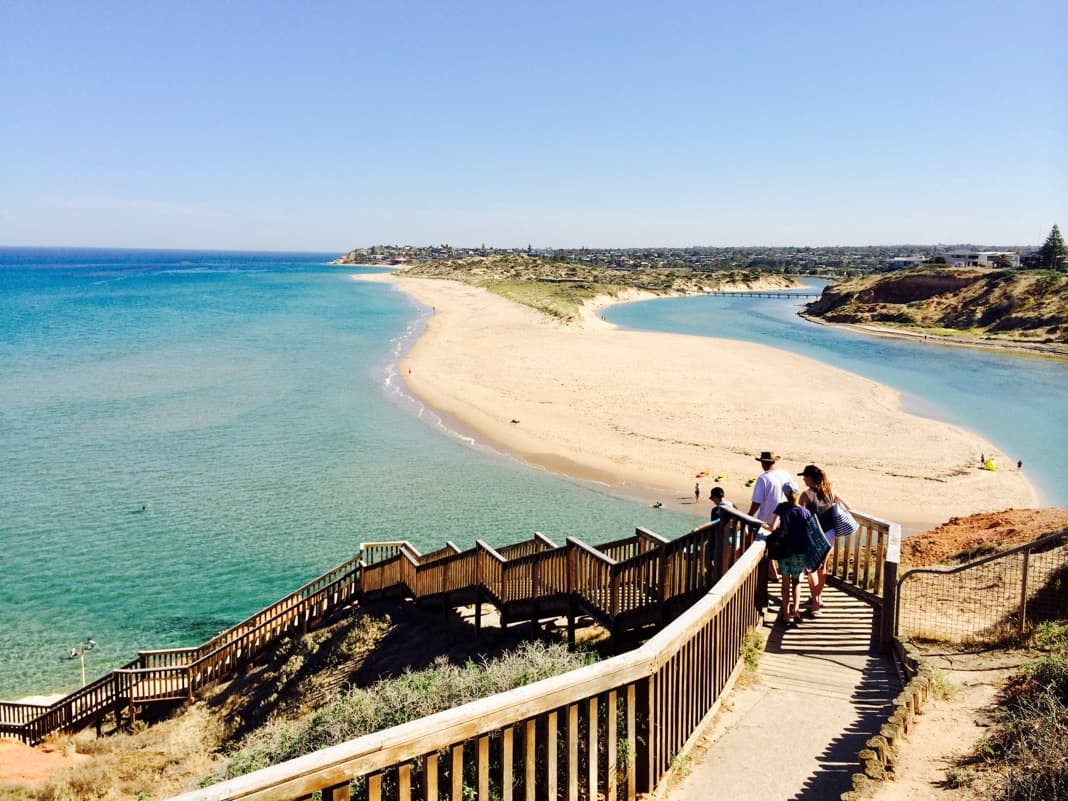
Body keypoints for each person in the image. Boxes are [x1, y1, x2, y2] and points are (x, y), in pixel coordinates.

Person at [797, 464, 849, 615]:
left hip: (814, 535)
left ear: (810, 478)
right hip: (830, 533)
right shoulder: (830, 492)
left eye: (804, 476)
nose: (803, 479)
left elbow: (801, 516)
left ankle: (815, 606)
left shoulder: (806, 495)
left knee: (811, 568)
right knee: (823, 567)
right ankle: (818, 598)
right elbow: (848, 507)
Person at [770, 481, 812, 625]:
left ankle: (786, 614)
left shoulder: (782, 507)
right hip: (799, 550)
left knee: (785, 583)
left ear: (785, 494)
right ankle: (796, 611)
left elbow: (773, 526)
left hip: (784, 550)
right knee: (796, 582)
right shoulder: (804, 512)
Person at [748, 450, 790, 580]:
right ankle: (776, 573)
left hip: (767, 519)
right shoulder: (785, 474)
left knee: (764, 546)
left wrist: (749, 514)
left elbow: (757, 501)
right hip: (785, 518)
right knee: (780, 546)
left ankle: (772, 573)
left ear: (763, 463)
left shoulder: (763, 478)